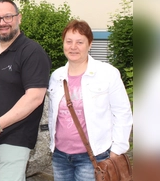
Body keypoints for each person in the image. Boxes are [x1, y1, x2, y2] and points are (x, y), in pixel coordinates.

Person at [0, 0, 51, 181]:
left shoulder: (32, 52)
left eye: (8, 16)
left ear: (19, 18)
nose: (2, 22)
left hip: (15, 137)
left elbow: (35, 98)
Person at [47, 19, 133, 181]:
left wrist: (117, 150)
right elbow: (53, 115)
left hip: (94, 155)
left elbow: (123, 113)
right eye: (69, 41)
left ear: (90, 44)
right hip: (60, 156)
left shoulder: (107, 73)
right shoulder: (56, 76)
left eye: (80, 42)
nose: (73, 47)